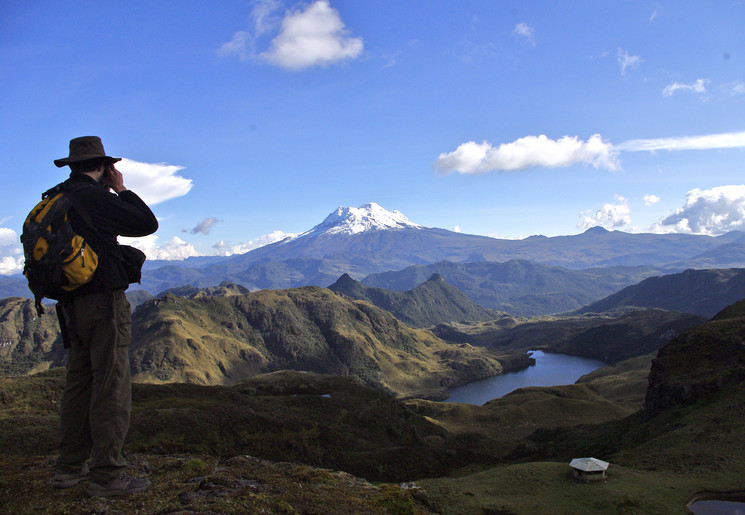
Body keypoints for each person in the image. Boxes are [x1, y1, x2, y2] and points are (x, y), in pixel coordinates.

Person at [50, 136, 158, 497]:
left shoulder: (55, 198)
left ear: (72, 165)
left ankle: (68, 469)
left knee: (78, 383)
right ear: (103, 165)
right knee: (110, 385)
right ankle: (108, 475)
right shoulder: (95, 197)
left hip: (68, 307)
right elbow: (146, 223)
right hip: (103, 305)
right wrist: (121, 189)